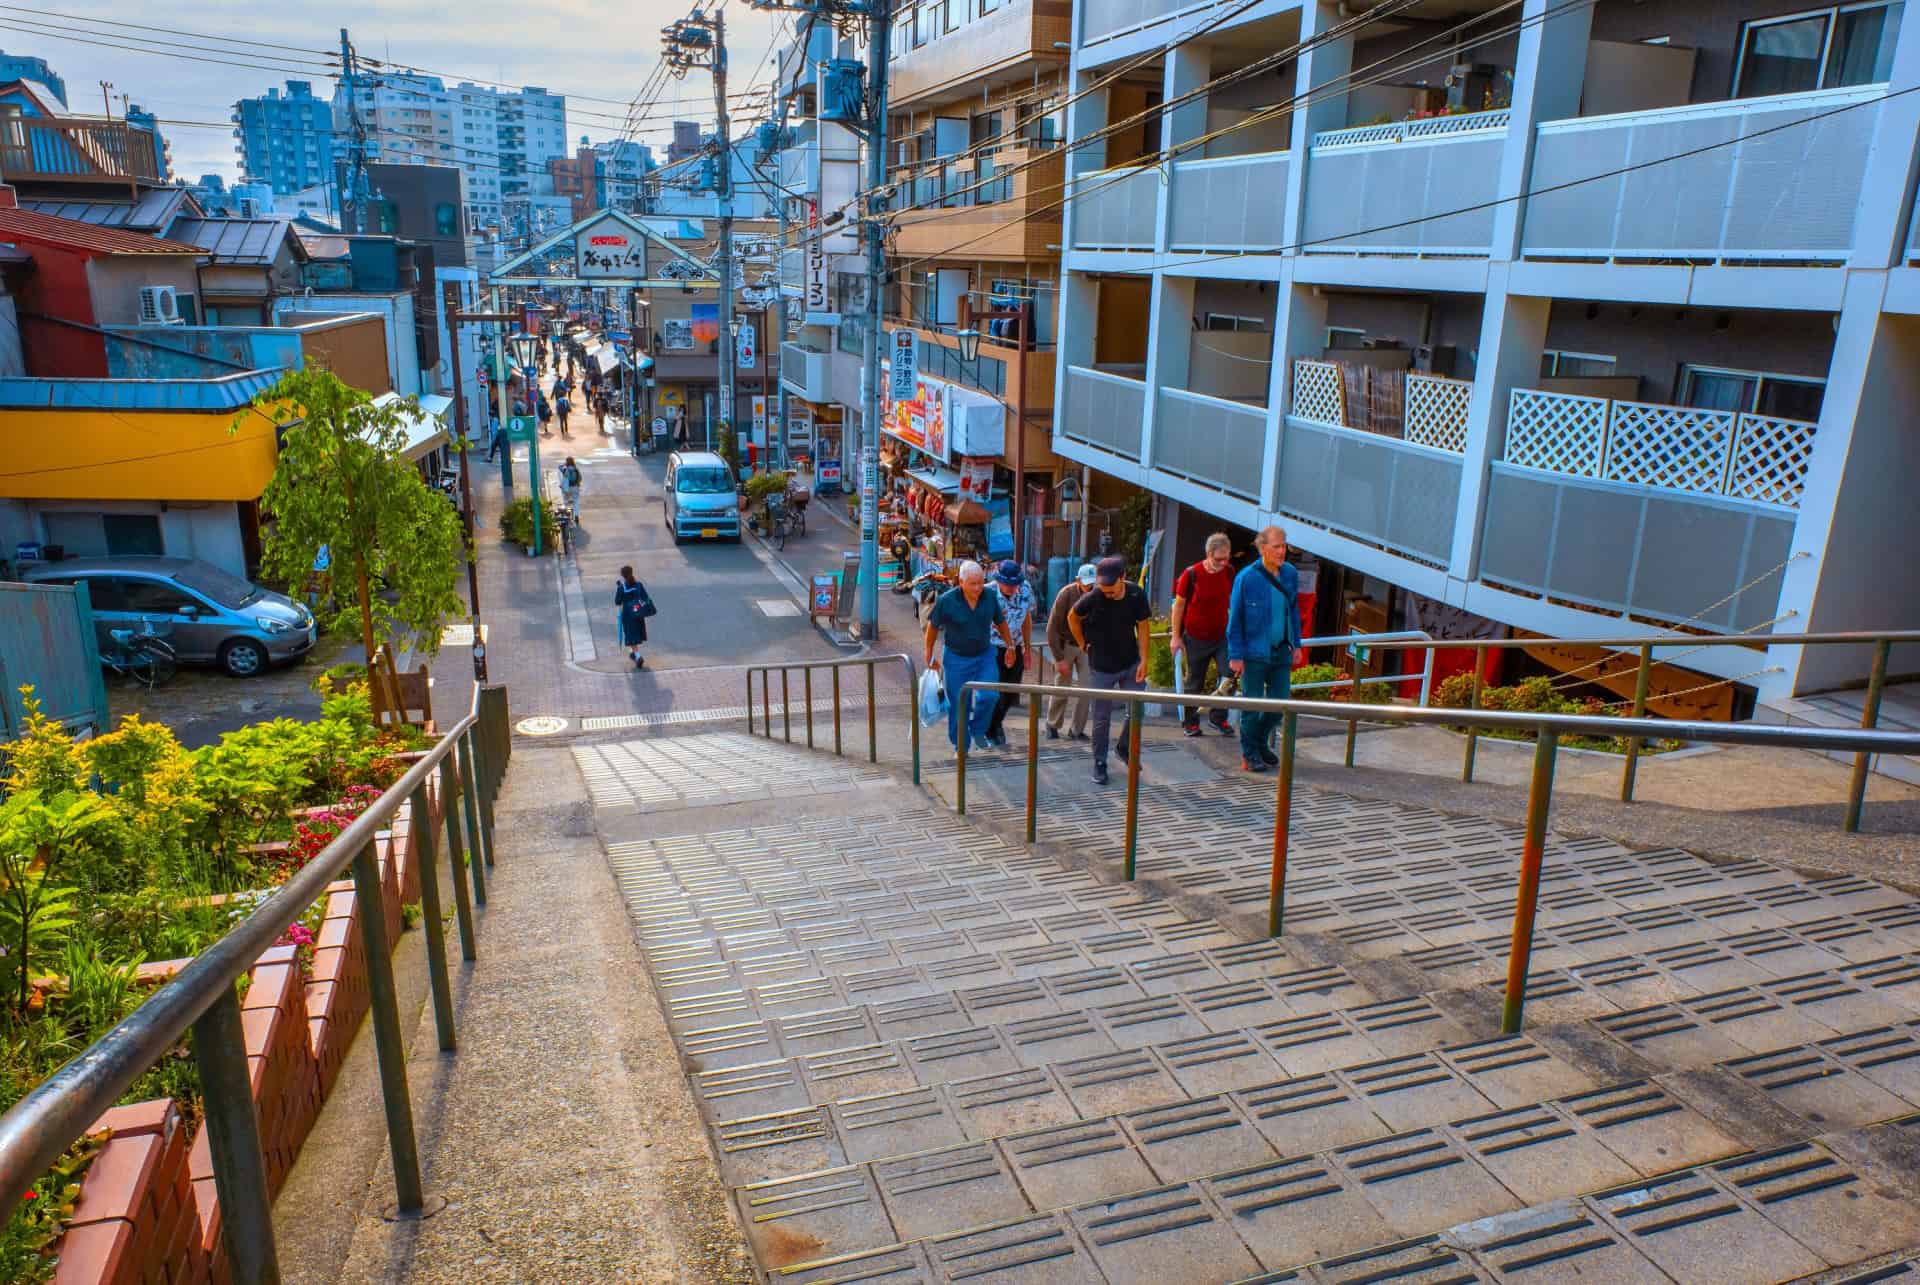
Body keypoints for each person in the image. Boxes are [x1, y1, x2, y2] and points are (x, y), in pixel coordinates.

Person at [1069, 556, 1152, 786]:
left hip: (1129, 662)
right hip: (1101, 666)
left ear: (1123, 578)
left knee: (1136, 710)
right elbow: (1072, 617)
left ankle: (1124, 748)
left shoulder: (1136, 594)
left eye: (1111, 589)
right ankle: (1100, 762)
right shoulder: (1094, 596)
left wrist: (1145, 660)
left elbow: (1143, 627)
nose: (1106, 593)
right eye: (1102, 589)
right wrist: (1082, 642)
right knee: (1101, 719)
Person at [1226, 525, 1303, 773]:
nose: (1282, 551)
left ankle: (1259, 742)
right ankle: (1250, 754)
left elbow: (1293, 611)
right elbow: (1235, 619)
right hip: (1254, 651)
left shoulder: (1290, 573)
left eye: (1284, 546)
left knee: (1280, 705)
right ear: (1262, 548)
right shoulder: (1247, 577)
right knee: (1253, 705)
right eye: (1277, 546)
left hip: (1282, 649)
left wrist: (1297, 644)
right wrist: (1236, 655)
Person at [923, 560, 1016, 752]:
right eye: (972, 584)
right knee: (958, 705)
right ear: (961, 582)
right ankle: (961, 745)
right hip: (956, 658)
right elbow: (932, 628)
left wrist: (1010, 645)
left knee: (990, 696)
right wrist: (928, 653)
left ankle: (977, 729)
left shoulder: (990, 596)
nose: (978, 588)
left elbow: (1000, 622)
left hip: (984, 655)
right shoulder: (947, 600)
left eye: (981, 582)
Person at [1172, 532, 1238, 738]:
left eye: (1227, 558)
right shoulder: (1191, 574)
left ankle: (1218, 717)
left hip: (1221, 636)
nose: (1223, 563)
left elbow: (1232, 602)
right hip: (1195, 636)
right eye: (1219, 559)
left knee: (1230, 675)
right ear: (1209, 554)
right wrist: (1176, 636)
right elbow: (1179, 605)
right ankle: (1190, 722)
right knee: (1194, 682)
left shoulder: (1229, 571)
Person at [983, 561, 1036, 746]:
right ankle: (990, 728)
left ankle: (996, 724)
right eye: (1007, 584)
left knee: (1011, 690)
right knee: (994, 692)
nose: (1011, 588)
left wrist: (1027, 648)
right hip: (992, 647)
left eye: (1014, 584)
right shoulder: (987, 593)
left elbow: (1026, 619)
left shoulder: (1025, 590)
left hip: (1016, 644)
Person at [1045, 563, 1097, 741]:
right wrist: (1059, 658)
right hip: (1065, 643)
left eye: (1093, 583)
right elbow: (1051, 628)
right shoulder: (1066, 594)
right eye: (1086, 583)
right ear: (1078, 580)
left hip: (1087, 646)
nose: (1090, 587)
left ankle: (1077, 729)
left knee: (1087, 688)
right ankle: (1052, 724)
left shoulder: (1098, 595)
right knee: (1061, 685)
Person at [614, 565, 653, 669]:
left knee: (631, 636)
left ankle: (638, 657)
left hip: (627, 614)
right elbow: (645, 597)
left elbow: (617, 601)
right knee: (636, 633)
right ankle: (633, 652)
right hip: (638, 612)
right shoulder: (639, 585)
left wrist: (618, 589)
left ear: (622, 575)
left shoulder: (622, 588)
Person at [558, 456, 583, 521]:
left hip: (567, 488)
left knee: (566, 501)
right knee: (576, 502)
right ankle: (576, 515)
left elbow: (559, 467)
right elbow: (580, 478)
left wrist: (564, 464)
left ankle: (566, 516)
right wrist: (577, 483)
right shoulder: (576, 469)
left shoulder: (565, 469)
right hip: (575, 487)